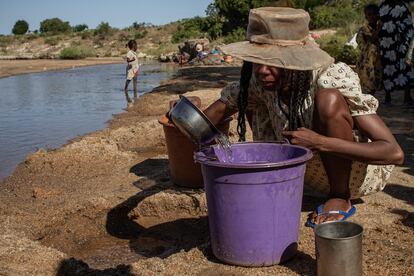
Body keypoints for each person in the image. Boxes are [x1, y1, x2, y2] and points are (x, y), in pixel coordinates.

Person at [203, 7, 404, 227]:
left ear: (296, 60)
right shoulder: (259, 83)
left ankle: (339, 197)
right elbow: (202, 122)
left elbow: (393, 153)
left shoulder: (328, 77)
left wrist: (320, 142)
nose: (262, 71)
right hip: (311, 179)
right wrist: (182, 113)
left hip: (353, 176)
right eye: (256, 61)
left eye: (272, 61)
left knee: (328, 99)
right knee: (250, 101)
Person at [378, 0, 414, 106]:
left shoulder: (404, 6)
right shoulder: (382, 6)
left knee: (405, 68)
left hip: (402, 44)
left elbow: (409, 27)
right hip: (386, 44)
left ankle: (407, 98)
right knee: (387, 69)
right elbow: (377, 23)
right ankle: (387, 98)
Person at [356, 4, 382, 95]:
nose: (371, 17)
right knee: (368, 80)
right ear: (365, 16)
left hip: (377, 59)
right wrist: (378, 29)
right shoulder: (364, 28)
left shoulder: (380, 27)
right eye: (369, 14)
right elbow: (372, 38)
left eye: (373, 14)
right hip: (367, 59)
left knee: (376, 78)